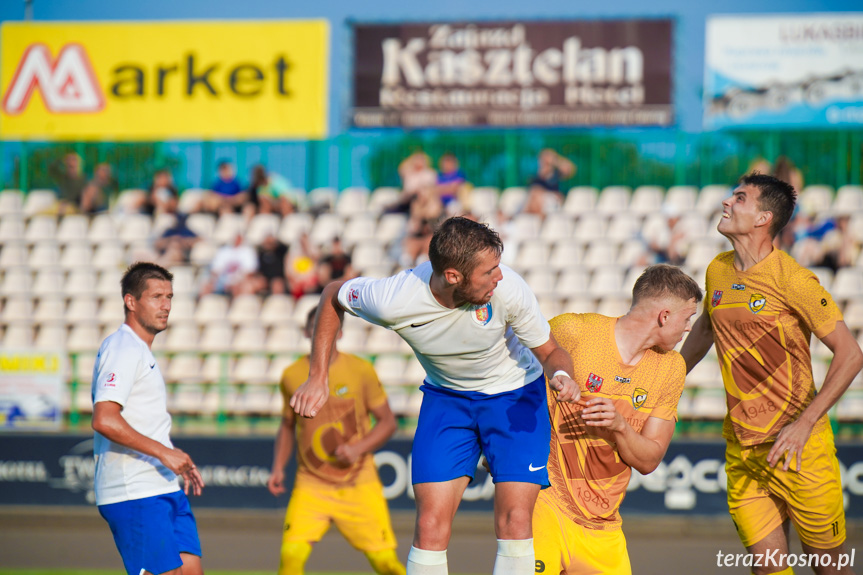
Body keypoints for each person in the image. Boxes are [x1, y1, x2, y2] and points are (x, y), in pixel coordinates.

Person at [290, 216, 580, 575]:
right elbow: (334, 293)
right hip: (447, 400)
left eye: (498, 267)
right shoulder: (394, 298)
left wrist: (563, 375)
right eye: (488, 272)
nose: (499, 277)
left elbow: (551, 352)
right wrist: (318, 376)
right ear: (453, 276)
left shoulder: (509, 289)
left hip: (516, 398)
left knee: (515, 520)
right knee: (429, 526)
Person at [680, 173, 863, 575]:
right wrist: (667, 379)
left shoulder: (792, 279)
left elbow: (851, 354)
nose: (727, 202)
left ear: (764, 218)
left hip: (800, 448)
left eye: (739, 198)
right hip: (743, 449)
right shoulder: (717, 270)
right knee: (767, 569)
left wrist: (804, 424)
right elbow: (706, 329)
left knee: (827, 567)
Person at [533, 264, 702, 575]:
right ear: (664, 316)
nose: (689, 328)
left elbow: (650, 460)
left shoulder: (671, 367)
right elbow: (508, 378)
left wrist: (620, 427)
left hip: (604, 526)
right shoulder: (574, 330)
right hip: (545, 503)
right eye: (687, 318)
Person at [267, 306, 406, 575]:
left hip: (358, 483)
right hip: (311, 484)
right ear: (307, 332)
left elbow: (388, 422)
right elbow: (287, 425)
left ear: (339, 332)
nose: (322, 333)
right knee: (290, 560)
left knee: (386, 564)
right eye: (316, 328)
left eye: (327, 328)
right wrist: (278, 467)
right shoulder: (291, 375)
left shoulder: (361, 371)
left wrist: (357, 448)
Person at [91, 262, 206, 575]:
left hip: (163, 486)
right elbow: (104, 419)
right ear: (131, 301)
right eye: (156, 297)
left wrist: (174, 456)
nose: (166, 305)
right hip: (134, 492)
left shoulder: (141, 351)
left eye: (169, 297)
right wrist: (164, 453)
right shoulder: (123, 348)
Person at [524, 149, 576, 216]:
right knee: (535, 195)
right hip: (536, 200)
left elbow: (570, 169)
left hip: (551, 199)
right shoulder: (535, 174)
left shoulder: (556, 173)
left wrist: (556, 161)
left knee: (537, 197)